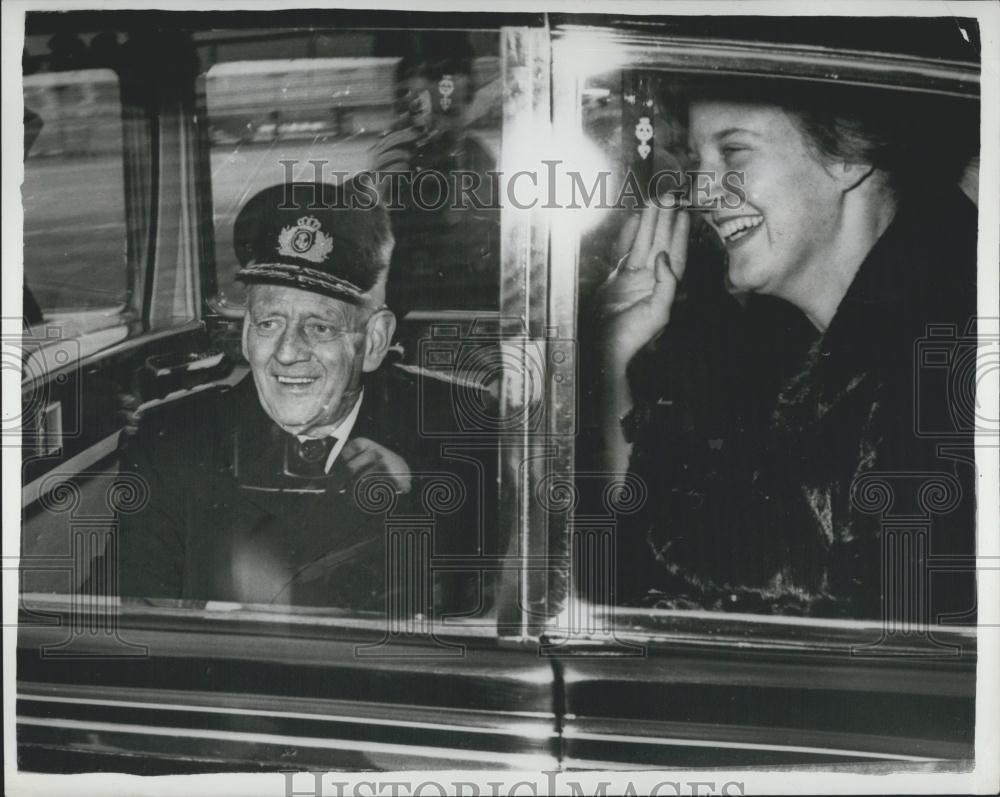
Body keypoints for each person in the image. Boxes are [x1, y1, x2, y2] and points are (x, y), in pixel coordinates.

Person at [594, 79, 978, 619]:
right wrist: (611, 358)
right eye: (698, 161)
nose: (703, 194)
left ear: (848, 156)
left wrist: (601, 368)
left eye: (733, 152)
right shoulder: (809, 347)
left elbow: (729, 599)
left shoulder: (944, 367)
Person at [112, 181, 452, 610]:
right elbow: (130, 626)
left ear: (375, 341)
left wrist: (414, 494)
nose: (288, 353)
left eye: (321, 327)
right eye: (269, 323)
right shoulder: (172, 442)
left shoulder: (455, 433)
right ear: (247, 332)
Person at [369, 31, 500, 315]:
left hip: (461, 301)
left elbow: (486, 232)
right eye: (411, 106)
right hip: (411, 302)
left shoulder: (475, 156)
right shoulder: (398, 157)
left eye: (449, 111)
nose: (434, 123)